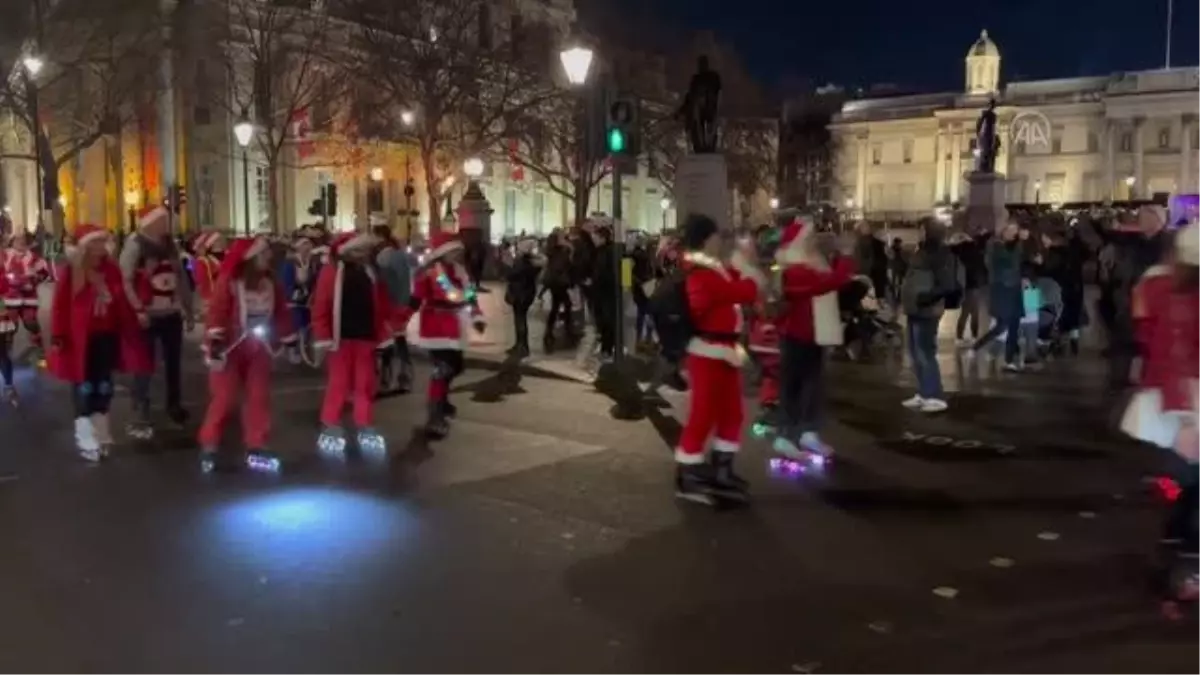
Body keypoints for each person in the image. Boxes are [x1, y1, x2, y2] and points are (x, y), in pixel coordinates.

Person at [1125, 224, 1200, 611]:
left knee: (1188, 483)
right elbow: (1176, 353)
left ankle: (1176, 547)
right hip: (1187, 399)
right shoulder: (1178, 294)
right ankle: (1185, 565)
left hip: (1180, 397)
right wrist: (1186, 418)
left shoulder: (1158, 286)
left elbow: (1146, 332)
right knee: (1192, 482)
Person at [674, 214, 765, 504]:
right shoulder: (699, 272)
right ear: (706, 239)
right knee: (703, 413)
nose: (721, 241)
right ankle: (688, 473)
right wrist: (749, 269)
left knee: (731, 413)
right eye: (717, 236)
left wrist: (743, 264)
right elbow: (742, 291)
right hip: (707, 352)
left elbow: (733, 284)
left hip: (724, 352)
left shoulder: (711, 268)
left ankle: (722, 469)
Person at [47, 225, 149, 462]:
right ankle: (84, 432)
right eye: (96, 243)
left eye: (104, 242)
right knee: (84, 385)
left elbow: (121, 300)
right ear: (86, 246)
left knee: (104, 384)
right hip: (80, 339)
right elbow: (60, 305)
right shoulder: (73, 271)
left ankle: (101, 428)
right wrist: (59, 335)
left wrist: (133, 322)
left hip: (107, 336)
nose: (101, 247)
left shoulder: (111, 269)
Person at [198, 236, 296, 472]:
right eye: (263, 255)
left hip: (259, 346)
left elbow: (281, 313)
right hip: (231, 345)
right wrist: (216, 342)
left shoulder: (271, 283)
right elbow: (218, 311)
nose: (268, 258)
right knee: (225, 396)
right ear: (251, 258)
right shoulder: (230, 281)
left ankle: (257, 442)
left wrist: (288, 339)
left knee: (259, 395)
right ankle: (210, 442)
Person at [774, 218, 856, 459]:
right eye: (808, 239)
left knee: (812, 386)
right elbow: (828, 285)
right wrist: (846, 258)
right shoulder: (796, 269)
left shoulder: (810, 265)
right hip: (797, 335)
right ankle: (787, 435)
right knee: (795, 388)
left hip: (812, 335)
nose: (813, 242)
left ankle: (807, 433)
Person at [312, 231, 394, 456]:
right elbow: (320, 307)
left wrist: (386, 329)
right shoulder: (331, 272)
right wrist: (322, 337)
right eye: (359, 250)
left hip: (365, 336)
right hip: (341, 338)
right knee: (338, 382)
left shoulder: (371, 273)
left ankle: (364, 423)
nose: (364, 254)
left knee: (365, 383)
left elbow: (381, 303)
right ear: (347, 252)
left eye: (365, 250)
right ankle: (330, 421)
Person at [119, 204, 195, 438]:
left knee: (173, 363)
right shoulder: (136, 244)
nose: (167, 224)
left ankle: (174, 405)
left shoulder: (170, 244)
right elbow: (126, 279)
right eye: (162, 220)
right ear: (151, 223)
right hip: (148, 314)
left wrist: (188, 308)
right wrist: (138, 309)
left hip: (171, 313)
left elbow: (180, 277)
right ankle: (140, 411)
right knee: (144, 365)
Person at [411, 232, 485, 439]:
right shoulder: (430, 273)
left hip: (454, 326)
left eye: (458, 251)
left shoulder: (460, 272)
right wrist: (398, 321)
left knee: (457, 366)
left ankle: (441, 399)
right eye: (453, 251)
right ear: (442, 253)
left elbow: (469, 296)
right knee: (442, 369)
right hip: (435, 326)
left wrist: (477, 317)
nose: (456, 255)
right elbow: (415, 299)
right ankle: (434, 416)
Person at [900, 220, 958, 413]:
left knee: (925, 353)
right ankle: (924, 392)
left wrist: (928, 297)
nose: (919, 232)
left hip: (927, 309)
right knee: (915, 352)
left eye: (922, 229)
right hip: (915, 308)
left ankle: (935, 395)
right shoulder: (921, 251)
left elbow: (947, 283)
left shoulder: (940, 254)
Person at [1, 229, 52, 366]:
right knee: (10, 326)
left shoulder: (34, 257)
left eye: (23, 240)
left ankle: (41, 350)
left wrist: (34, 279)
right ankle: (5, 355)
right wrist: (8, 282)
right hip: (10, 298)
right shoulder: (5, 256)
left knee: (31, 323)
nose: (21, 242)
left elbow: (45, 273)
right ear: (12, 241)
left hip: (29, 297)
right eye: (18, 239)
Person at [373, 225, 415, 392]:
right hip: (393, 304)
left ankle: (394, 375)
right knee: (394, 340)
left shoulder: (390, 256)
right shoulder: (394, 254)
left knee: (393, 340)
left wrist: (401, 304)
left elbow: (397, 282)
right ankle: (396, 374)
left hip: (393, 304)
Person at [281, 235, 321, 365]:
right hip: (293, 300)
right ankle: (292, 347)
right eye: (304, 244)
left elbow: (316, 281)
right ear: (297, 247)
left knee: (310, 321)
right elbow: (285, 282)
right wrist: (293, 294)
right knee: (294, 321)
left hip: (308, 299)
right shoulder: (289, 264)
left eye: (309, 244)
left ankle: (308, 347)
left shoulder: (314, 264)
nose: (307, 247)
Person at [505, 236, 542, 359]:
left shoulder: (522, 262)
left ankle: (522, 346)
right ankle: (520, 345)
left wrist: (506, 265)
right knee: (520, 320)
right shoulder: (533, 261)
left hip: (520, 293)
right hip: (527, 292)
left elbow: (511, 275)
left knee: (520, 320)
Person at [191, 231, 227, 305]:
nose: (222, 243)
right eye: (217, 241)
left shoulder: (224, 257)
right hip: (209, 298)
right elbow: (199, 281)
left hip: (222, 296)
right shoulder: (201, 261)